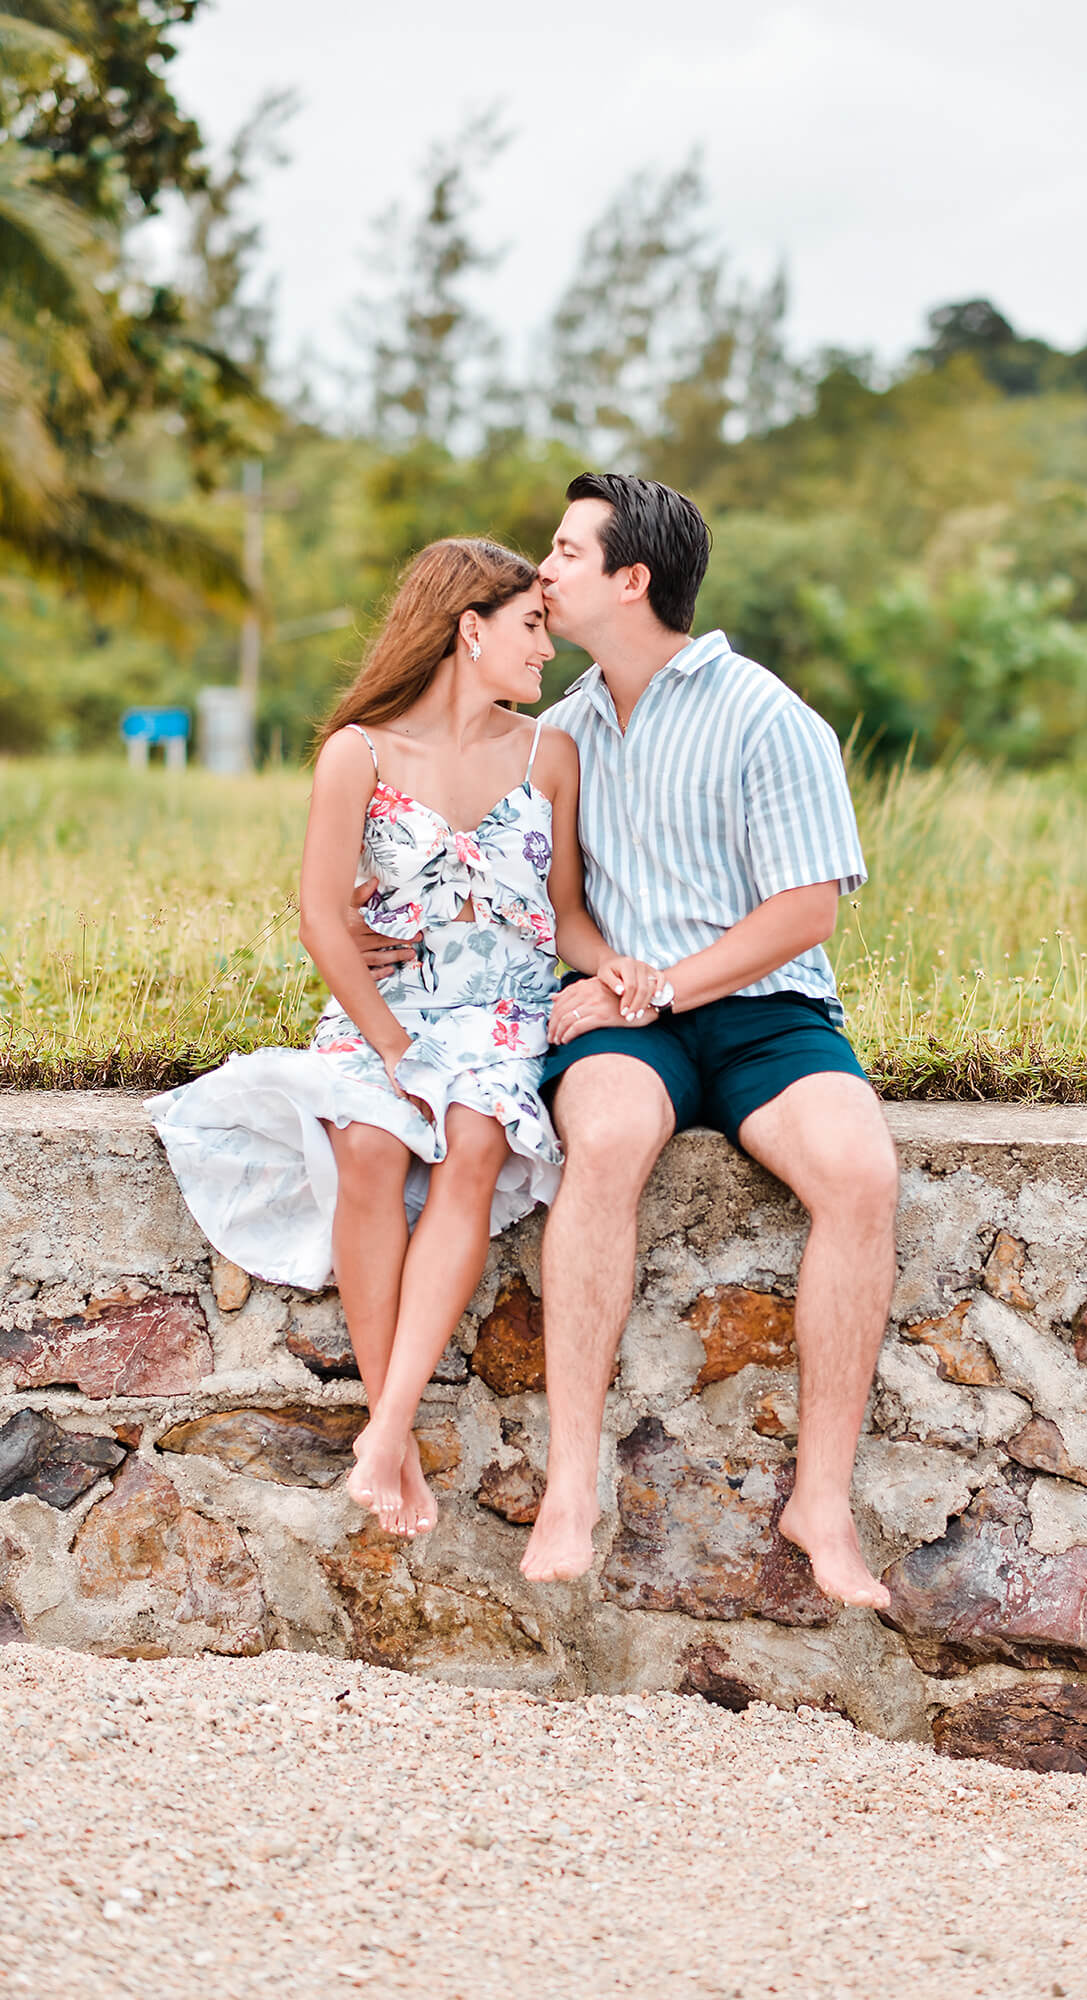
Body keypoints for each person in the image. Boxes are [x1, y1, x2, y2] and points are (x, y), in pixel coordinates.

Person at [359, 479, 899, 1607]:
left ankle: (823, 1497)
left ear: (629, 579)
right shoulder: (550, 733)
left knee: (859, 1172)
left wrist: (655, 991)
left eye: (562, 551)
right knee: (599, 1141)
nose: (540, 574)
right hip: (615, 1016)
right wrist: (390, 936)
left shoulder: (766, 715)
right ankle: (570, 1481)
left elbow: (805, 911)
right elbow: (498, 875)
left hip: (762, 1008)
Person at [150, 538, 658, 1538]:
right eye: (528, 628)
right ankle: (393, 1434)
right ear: (468, 628)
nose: (545, 650)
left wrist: (612, 966)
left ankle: (381, 1434)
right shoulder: (360, 751)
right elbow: (318, 920)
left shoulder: (549, 753)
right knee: (369, 1144)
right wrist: (389, 1047)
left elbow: (565, 913)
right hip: (391, 1015)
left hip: (504, 1013)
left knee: (475, 1136)